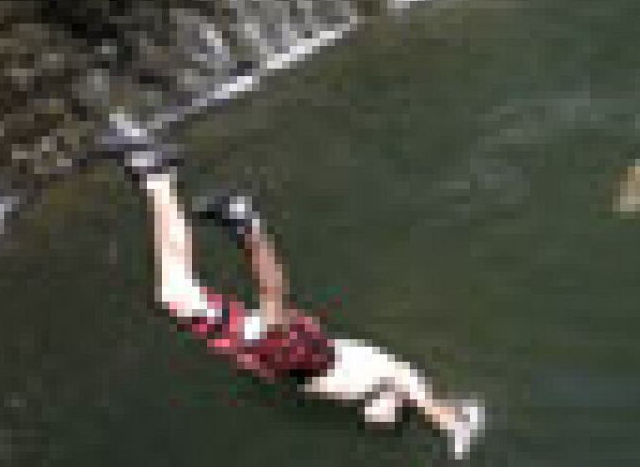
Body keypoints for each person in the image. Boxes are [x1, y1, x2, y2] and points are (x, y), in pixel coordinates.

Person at [100, 116, 484, 459]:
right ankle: (246, 221)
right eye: (385, 422)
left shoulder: (367, 390)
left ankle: (156, 176)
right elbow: (439, 409)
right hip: (310, 357)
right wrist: (455, 425)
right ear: (396, 405)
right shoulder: (395, 378)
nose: (375, 424)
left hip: (265, 353)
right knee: (272, 306)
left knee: (174, 293)